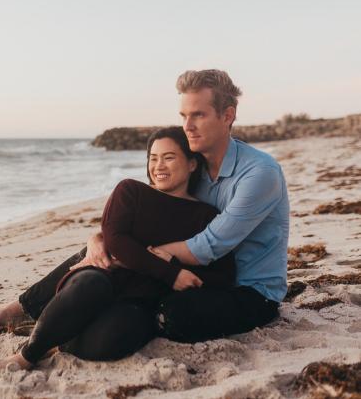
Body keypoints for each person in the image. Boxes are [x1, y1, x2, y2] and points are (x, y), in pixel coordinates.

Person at [0, 127, 236, 370]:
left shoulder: (205, 216)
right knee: (90, 286)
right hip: (103, 275)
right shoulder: (131, 191)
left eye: (168, 157)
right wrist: (170, 274)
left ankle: (55, 337)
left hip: (139, 300)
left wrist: (173, 261)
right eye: (153, 158)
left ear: (191, 163)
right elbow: (116, 240)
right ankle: (27, 355)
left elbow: (224, 274)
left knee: (112, 340)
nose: (158, 165)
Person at [90, 69, 290, 344]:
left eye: (198, 115)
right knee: (102, 253)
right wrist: (102, 238)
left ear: (227, 116)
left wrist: (145, 254)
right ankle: (25, 307)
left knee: (174, 315)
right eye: (184, 116)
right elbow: (145, 215)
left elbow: (208, 246)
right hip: (200, 277)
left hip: (250, 291)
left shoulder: (260, 172)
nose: (187, 126)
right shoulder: (194, 169)